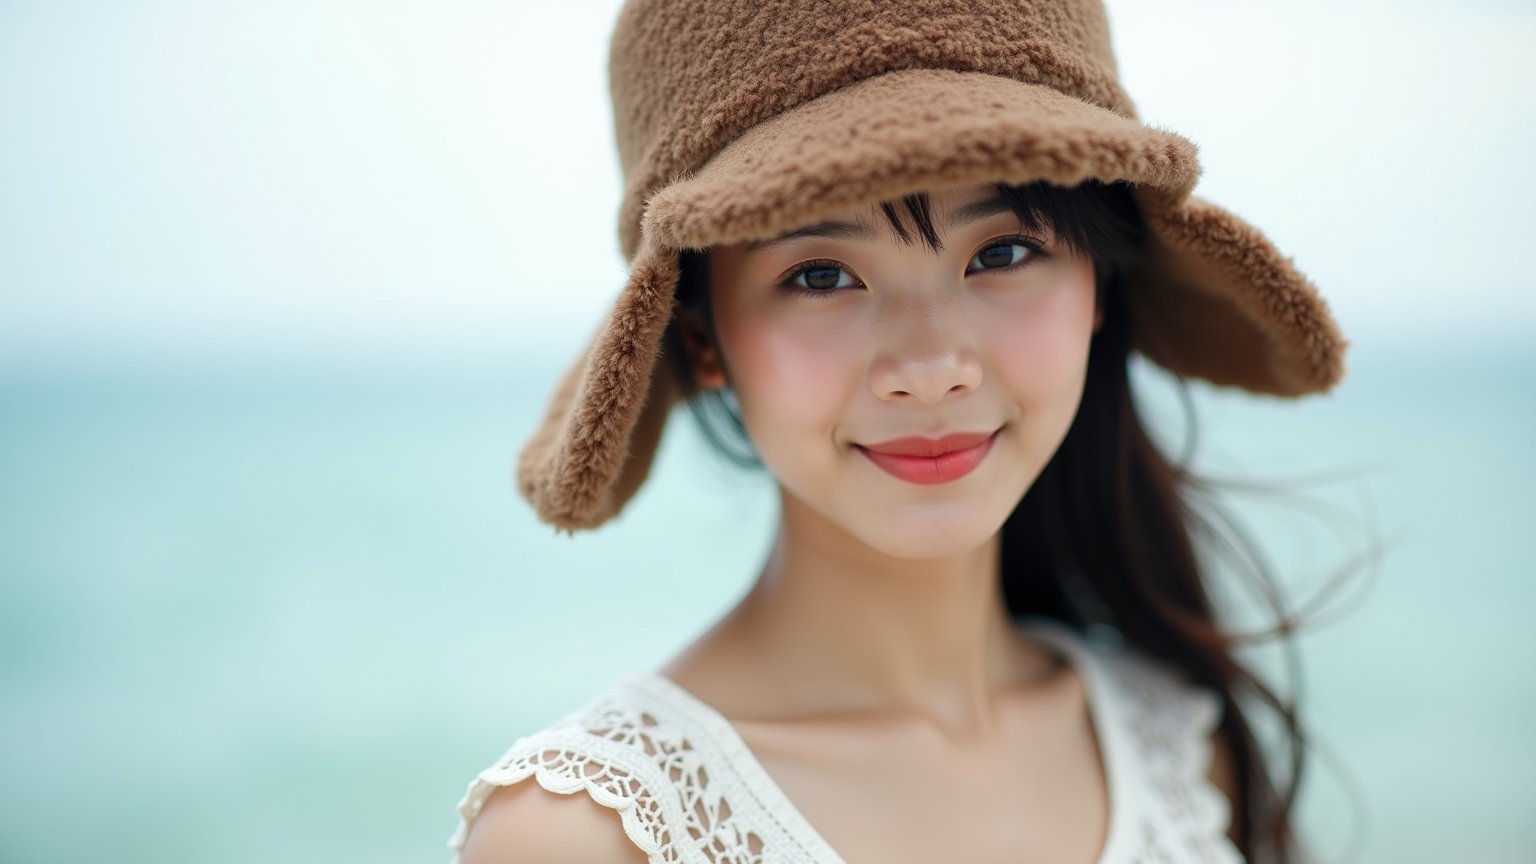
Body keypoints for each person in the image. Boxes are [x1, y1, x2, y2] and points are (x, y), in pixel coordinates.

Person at [448, 0, 1349, 862]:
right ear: (700, 338)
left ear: (1100, 288)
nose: (929, 367)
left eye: (1001, 252)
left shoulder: (1177, 746)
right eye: (821, 276)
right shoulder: (590, 835)